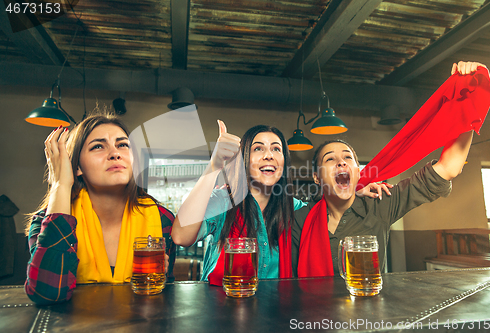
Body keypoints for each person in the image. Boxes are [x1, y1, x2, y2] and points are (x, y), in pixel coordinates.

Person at [292, 61, 488, 278]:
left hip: (367, 308)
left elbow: (449, 168)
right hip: (314, 311)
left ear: (358, 172)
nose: (341, 162)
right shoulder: (300, 218)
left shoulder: (379, 204)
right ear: (316, 177)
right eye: (330, 159)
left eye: (348, 157)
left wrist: (468, 102)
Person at [171, 121, 388, 283]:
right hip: (220, 316)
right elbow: (181, 236)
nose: (269, 155)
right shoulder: (224, 201)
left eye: (276, 149)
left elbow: (329, 211)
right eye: (258, 148)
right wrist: (214, 164)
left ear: (284, 162)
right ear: (244, 158)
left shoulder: (297, 210)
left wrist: (353, 193)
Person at [25, 113, 176, 305]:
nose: (115, 153)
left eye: (122, 145)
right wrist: (60, 185)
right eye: (98, 146)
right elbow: (47, 293)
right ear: (77, 167)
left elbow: (166, 304)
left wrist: (160, 284)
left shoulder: (163, 220)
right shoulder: (46, 221)